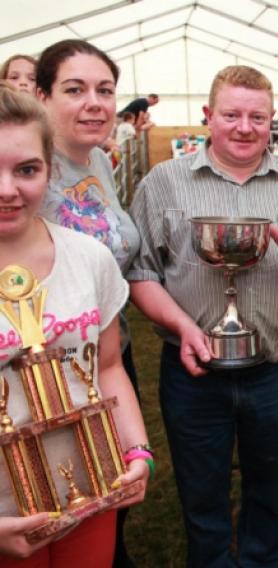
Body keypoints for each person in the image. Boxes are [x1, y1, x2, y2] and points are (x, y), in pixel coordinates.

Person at [127, 65, 278, 567]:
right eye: (232, 115)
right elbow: (139, 273)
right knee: (202, 494)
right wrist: (182, 327)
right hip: (192, 370)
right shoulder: (165, 182)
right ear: (208, 117)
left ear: (272, 122)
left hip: (276, 366)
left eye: (258, 117)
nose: (245, 127)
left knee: (270, 492)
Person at [0, 84, 148, 567]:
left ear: (49, 168)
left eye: (26, 169)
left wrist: (137, 452)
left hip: (89, 488)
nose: (8, 189)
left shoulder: (89, 258)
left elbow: (108, 368)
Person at [34, 38, 143, 568]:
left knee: (111, 487)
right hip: (44, 365)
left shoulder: (98, 158)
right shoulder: (27, 171)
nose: (95, 103)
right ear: (40, 95)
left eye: (105, 90)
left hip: (107, 349)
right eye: (74, 90)